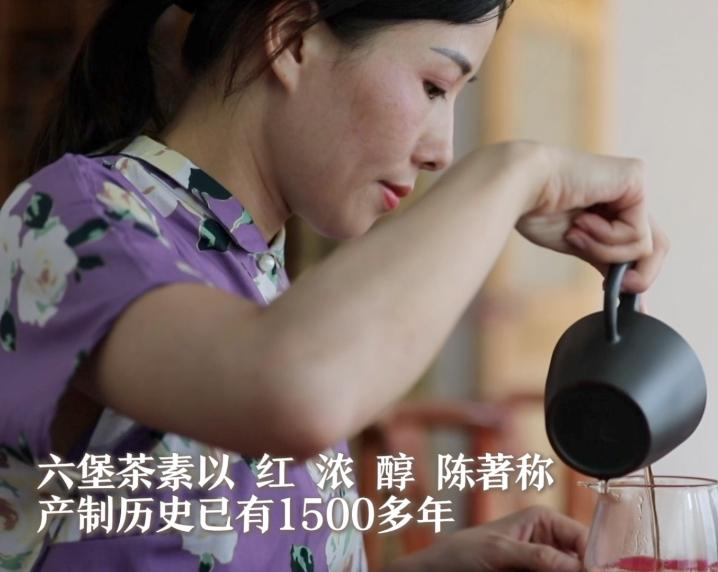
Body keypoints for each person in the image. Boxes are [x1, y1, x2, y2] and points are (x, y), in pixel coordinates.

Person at [0, 0, 669, 570]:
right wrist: (519, 172)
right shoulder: (72, 219)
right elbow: (296, 389)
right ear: (291, 39)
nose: (441, 150)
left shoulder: (256, 275)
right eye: (434, 86)